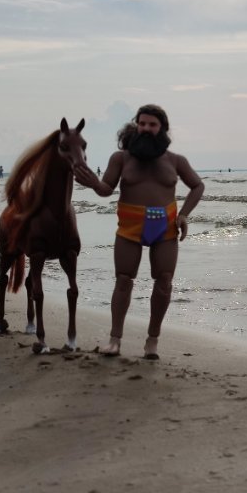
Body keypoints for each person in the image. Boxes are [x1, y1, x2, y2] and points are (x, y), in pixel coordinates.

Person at [74, 104, 204, 359]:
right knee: (123, 280)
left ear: (162, 128)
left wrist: (184, 214)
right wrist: (93, 183)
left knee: (164, 281)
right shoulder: (121, 158)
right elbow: (106, 189)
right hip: (129, 228)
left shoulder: (175, 161)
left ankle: (152, 342)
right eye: (142, 123)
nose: (145, 128)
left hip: (164, 229)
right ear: (136, 125)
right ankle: (115, 340)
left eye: (152, 125)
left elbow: (197, 186)